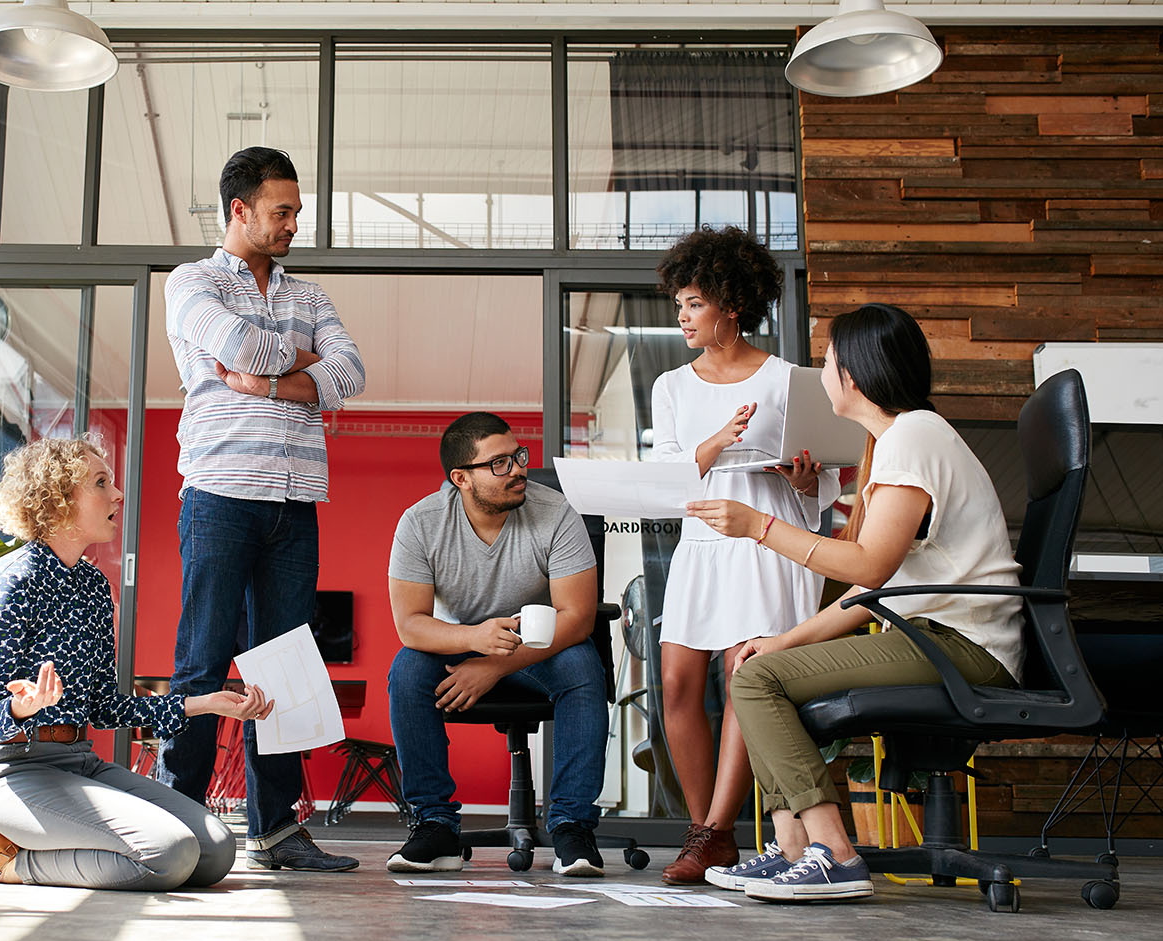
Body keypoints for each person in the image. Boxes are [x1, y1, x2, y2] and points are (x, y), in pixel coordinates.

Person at [685, 303, 1022, 902]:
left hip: (963, 645)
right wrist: (784, 640)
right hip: (936, 635)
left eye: (829, 360)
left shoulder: (912, 438)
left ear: (857, 375)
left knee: (758, 682)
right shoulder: (900, 439)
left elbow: (867, 567)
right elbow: (876, 589)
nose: (822, 373)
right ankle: (794, 847)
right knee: (757, 668)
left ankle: (834, 854)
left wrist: (759, 525)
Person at [159, 146, 367, 873]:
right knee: (203, 660)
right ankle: (176, 817)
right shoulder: (190, 282)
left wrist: (268, 382)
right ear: (239, 209)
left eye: (296, 212)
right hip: (219, 494)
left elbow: (352, 371)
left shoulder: (309, 295)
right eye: (282, 212)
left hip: (296, 500)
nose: (292, 225)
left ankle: (276, 829)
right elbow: (240, 343)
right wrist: (303, 360)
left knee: (284, 668)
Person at [0, 436, 276, 891]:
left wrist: (204, 704)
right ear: (57, 500)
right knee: (170, 854)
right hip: (6, 769)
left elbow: (104, 706)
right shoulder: (6, 583)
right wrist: (22, 708)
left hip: (77, 761)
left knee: (216, 848)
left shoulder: (93, 587)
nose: (118, 494)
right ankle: (4, 862)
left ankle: (33, 847)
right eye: (101, 483)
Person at [648, 226, 842, 885]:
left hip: (769, 543)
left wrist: (805, 478)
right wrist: (713, 442)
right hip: (702, 545)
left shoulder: (791, 380)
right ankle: (709, 831)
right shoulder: (672, 386)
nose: (683, 316)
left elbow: (826, 484)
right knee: (675, 681)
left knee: (742, 680)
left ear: (731, 303)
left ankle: (712, 833)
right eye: (679, 305)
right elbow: (667, 479)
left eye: (694, 303)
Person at [385, 412, 609, 877]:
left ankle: (572, 826)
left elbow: (578, 618)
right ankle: (435, 826)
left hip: (537, 649)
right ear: (461, 478)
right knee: (406, 671)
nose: (520, 469)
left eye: (519, 456)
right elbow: (410, 625)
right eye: (501, 463)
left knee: (583, 667)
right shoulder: (420, 523)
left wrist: (493, 666)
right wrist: (473, 641)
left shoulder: (555, 514)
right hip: (459, 642)